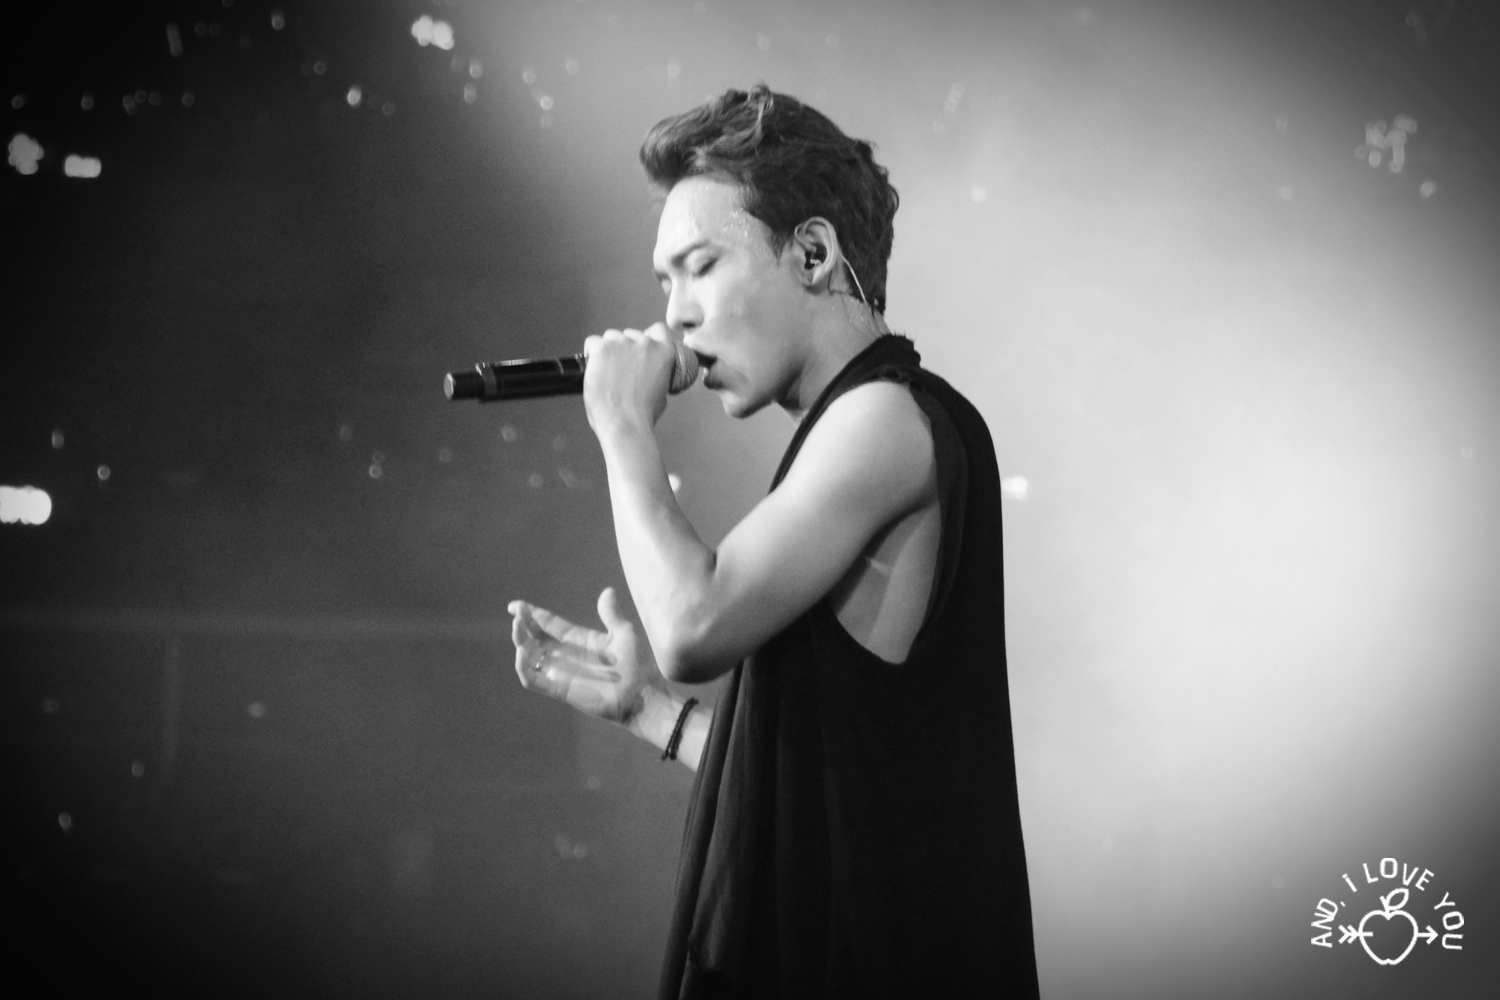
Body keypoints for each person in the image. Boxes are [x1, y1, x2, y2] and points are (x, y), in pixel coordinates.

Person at [508, 85, 1038, 999]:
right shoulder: (868, 423)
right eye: (664, 283)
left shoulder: (885, 417)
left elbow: (692, 626)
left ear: (814, 253)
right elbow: (841, 789)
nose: (674, 317)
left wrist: (622, 426)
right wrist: (649, 713)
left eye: (699, 267)